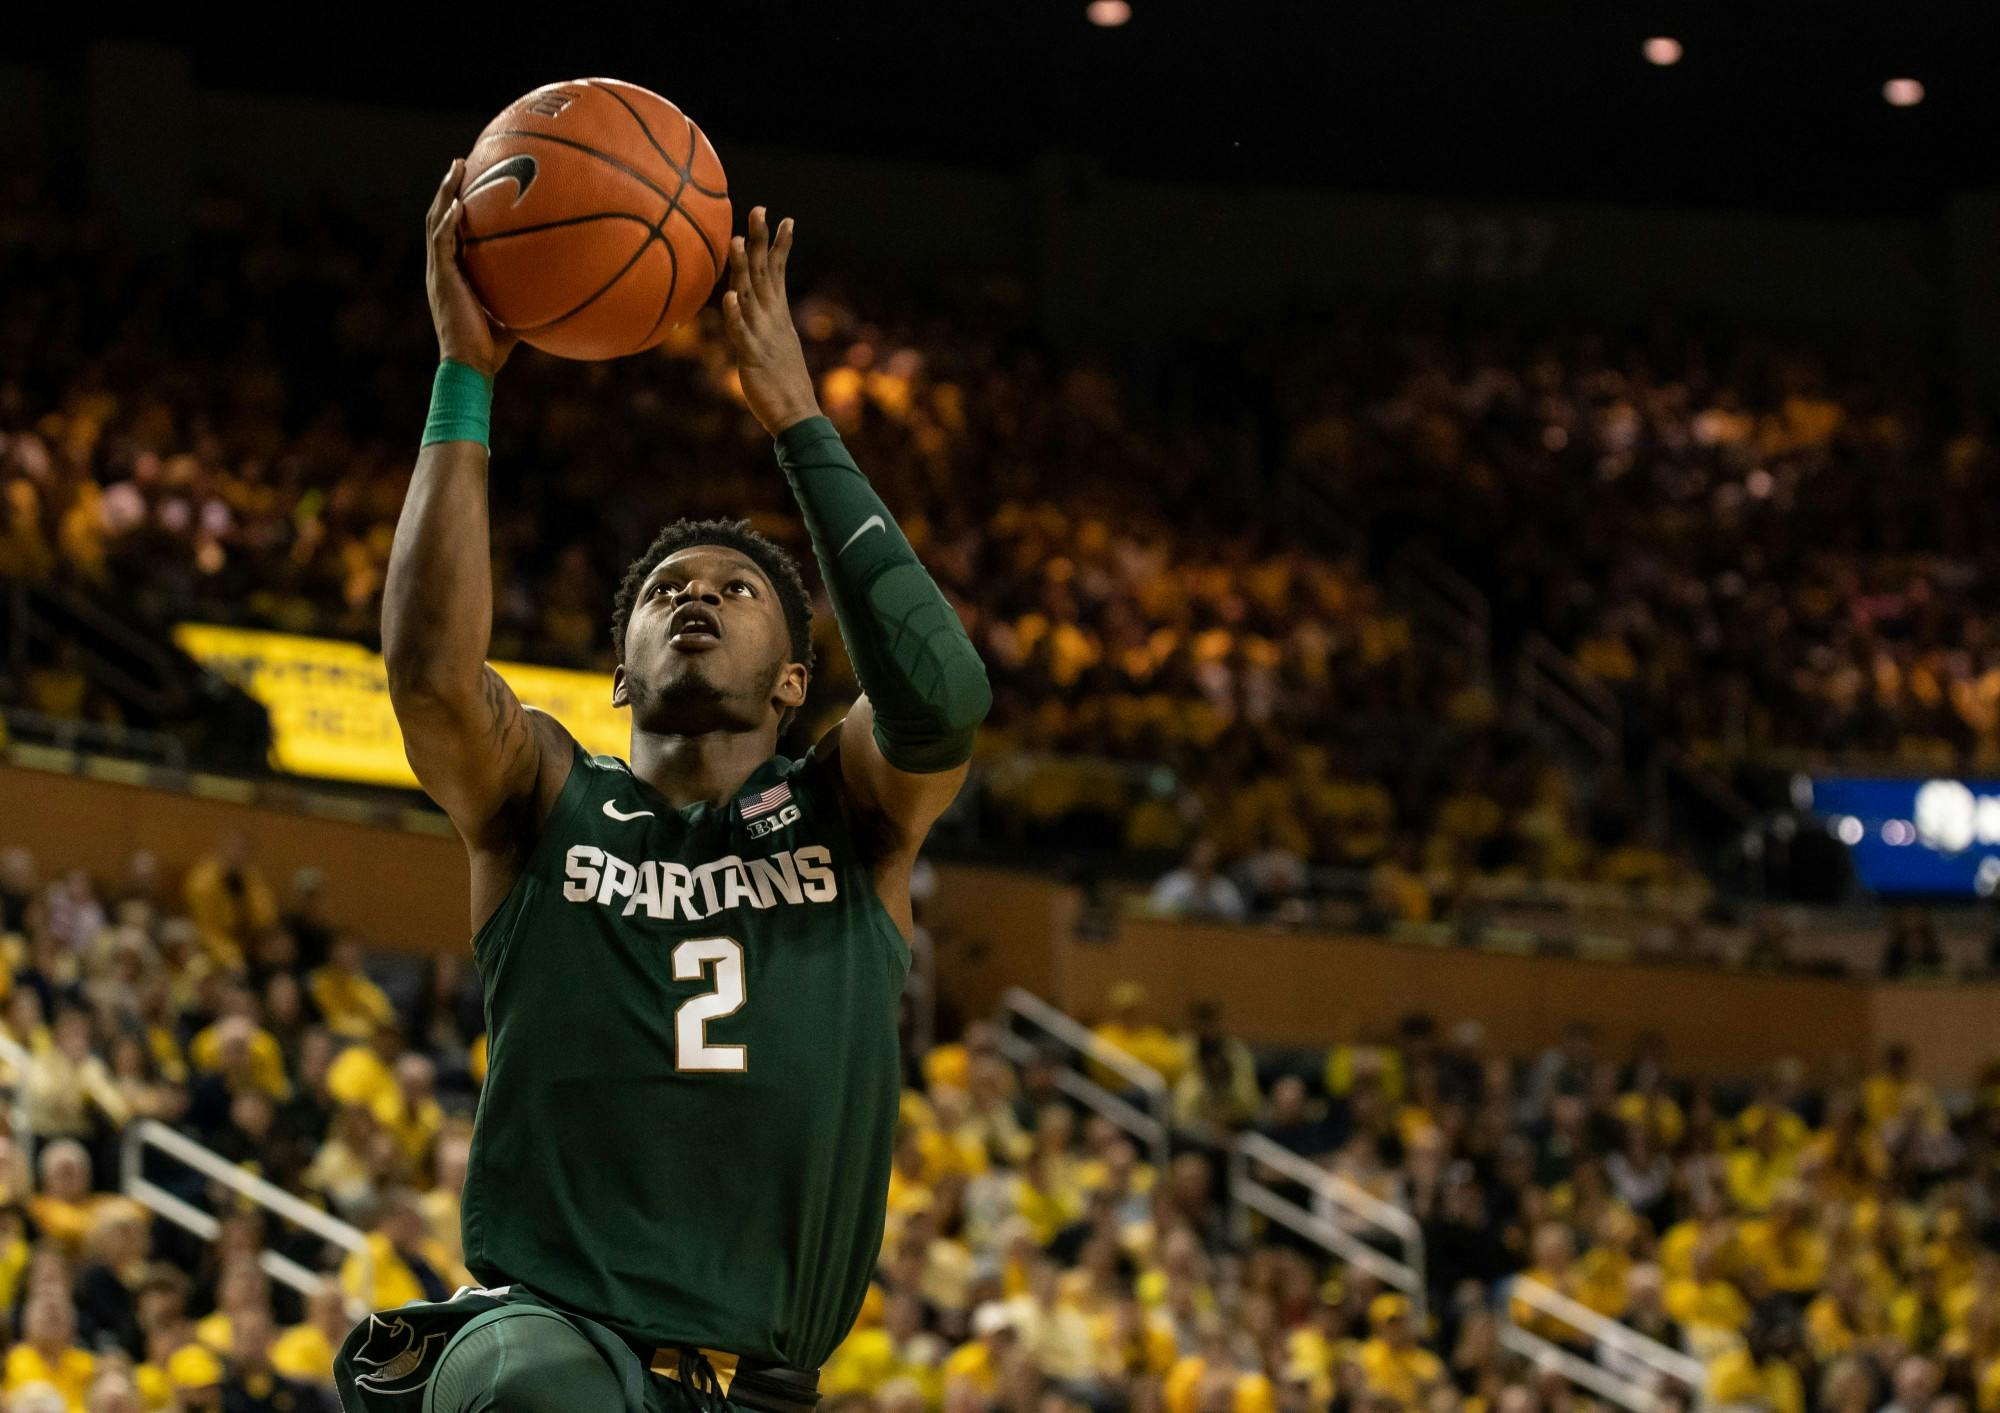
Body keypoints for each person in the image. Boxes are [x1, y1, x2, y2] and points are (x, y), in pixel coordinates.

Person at [336, 178, 988, 1413]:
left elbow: (944, 699)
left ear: (796, 681)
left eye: (739, 592)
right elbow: (427, 680)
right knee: (533, 1385)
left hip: (768, 1383)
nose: (697, 595)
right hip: (556, 1340)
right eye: (665, 591)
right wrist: (464, 376)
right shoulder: (541, 794)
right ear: (618, 674)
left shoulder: (850, 813)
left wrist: (797, 417)